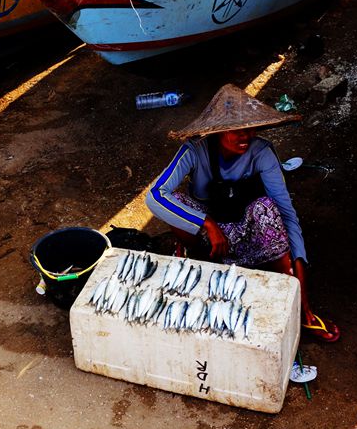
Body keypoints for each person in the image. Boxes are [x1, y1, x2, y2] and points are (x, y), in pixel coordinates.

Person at [145, 83, 340, 342]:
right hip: (210, 234)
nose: (245, 137)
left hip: (245, 227)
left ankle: (287, 288)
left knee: (267, 208)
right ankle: (198, 256)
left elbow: (286, 212)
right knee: (177, 200)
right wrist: (208, 224)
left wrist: (300, 279)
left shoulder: (261, 152)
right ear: (218, 131)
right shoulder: (194, 150)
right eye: (237, 131)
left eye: (250, 129)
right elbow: (155, 195)